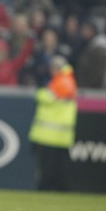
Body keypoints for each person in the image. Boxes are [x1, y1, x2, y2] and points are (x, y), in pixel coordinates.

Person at [28, 55, 78, 191]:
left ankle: (49, 188)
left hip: (51, 135)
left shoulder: (63, 81)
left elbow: (48, 98)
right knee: (58, 166)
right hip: (58, 135)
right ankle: (59, 189)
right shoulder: (66, 79)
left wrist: (38, 91)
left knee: (50, 168)